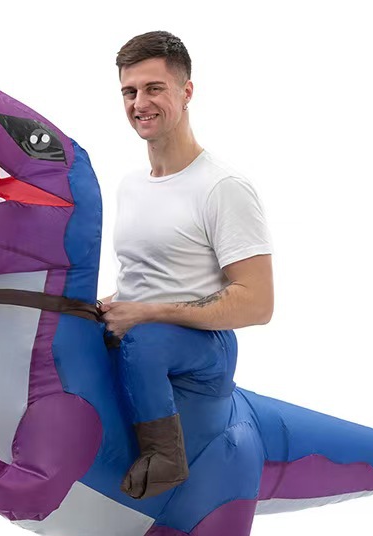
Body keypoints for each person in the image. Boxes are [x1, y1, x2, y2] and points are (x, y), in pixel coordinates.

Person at [99, 30, 275, 501]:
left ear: (186, 91)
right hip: (146, 341)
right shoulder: (131, 186)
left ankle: (166, 456)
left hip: (203, 349)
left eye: (154, 88)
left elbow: (258, 303)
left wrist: (147, 313)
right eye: (129, 91)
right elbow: (151, 278)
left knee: (143, 339)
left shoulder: (222, 187)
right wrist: (112, 305)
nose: (140, 103)